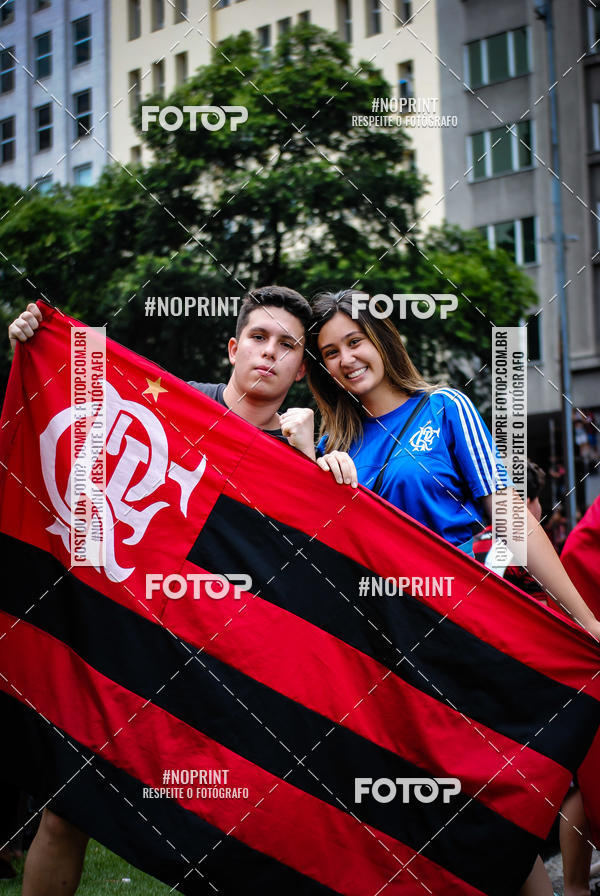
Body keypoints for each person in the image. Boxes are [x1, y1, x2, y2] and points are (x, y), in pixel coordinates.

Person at [6, 284, 315, 895]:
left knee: (224, 834)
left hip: (224, 670)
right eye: (258, 337)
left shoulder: (306, 450)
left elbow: (311, 575)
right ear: (232, 347)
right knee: (67, 812)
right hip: (129, 641)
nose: (269, 353)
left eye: (287, 345)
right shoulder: (171, 404)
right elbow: (74, 395)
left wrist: (308, 459)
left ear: (302, 369)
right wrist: (33, 340)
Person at [306, 289, 600, 896]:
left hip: (467, 634)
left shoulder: (444, 408)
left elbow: (510, 518)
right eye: (330, 352)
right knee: (440, 821)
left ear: (382, 339)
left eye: (355, 341)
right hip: (386, 658)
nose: (346, 359)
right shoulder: (331, 449)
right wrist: (311, 463)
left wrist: (585, 620)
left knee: (496, 804)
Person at [473, 459, 548, 603]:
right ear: (525, 504)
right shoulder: (530, 551)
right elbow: (542, 613)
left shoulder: (472, 544)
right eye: (538, 500)